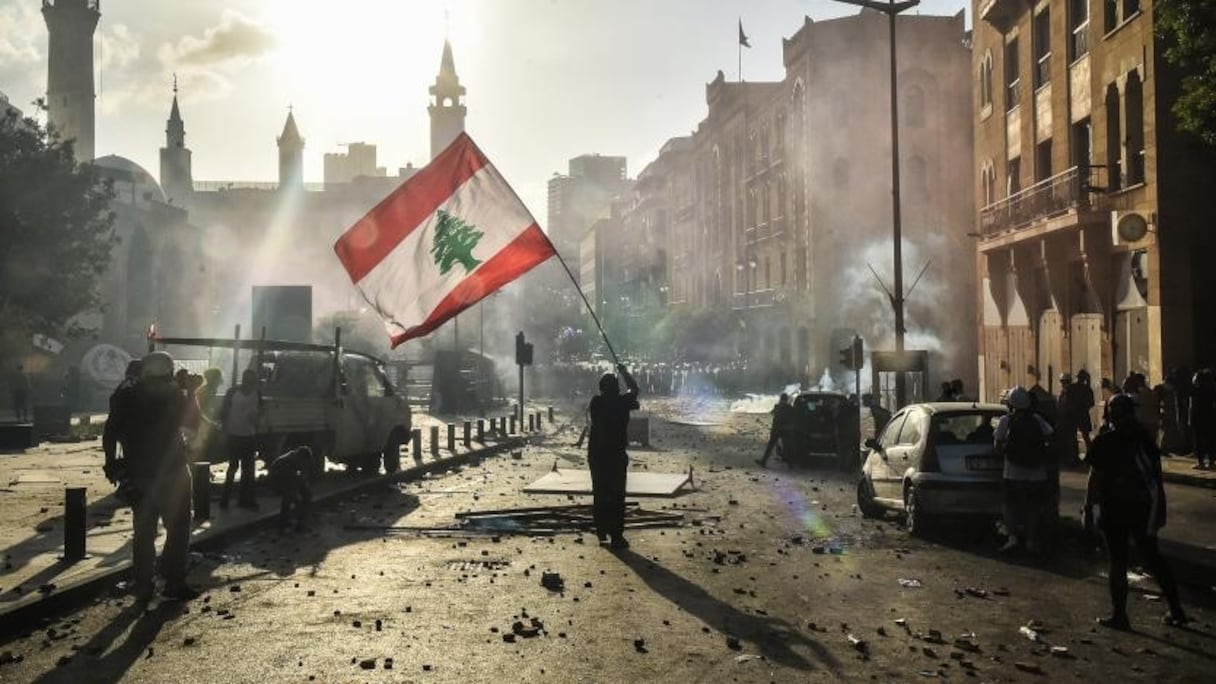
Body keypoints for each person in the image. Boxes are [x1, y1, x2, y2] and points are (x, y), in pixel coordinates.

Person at [1084, 393, 1187, 629]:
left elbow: (1095, 478)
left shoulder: (1105, 441)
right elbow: (1155, 478)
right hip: (1142, 508)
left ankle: (1120, 615)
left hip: (1114, 509)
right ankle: (1176, 608)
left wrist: (1089, 508)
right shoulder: (1144, 439)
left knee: (1118, 562)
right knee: (1153, 557)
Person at [102, 351, 195, 602]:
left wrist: (111, 463)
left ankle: (144, 584)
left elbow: (110, 432)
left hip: (138, 474)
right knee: (178, 529)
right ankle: (173, 581)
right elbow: (193, 421)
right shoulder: (173, 394)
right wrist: (191, 391)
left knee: (143, 531)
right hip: (173, 472)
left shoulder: (125, 396)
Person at [994, 386, 1053, 554]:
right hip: (1037, 473)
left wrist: (1006, 449)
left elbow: (997, 446)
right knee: (1032, 507)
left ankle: (1012, 538)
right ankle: (1031, 540)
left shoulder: (1006, 421)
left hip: (1012, 472)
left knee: (1009, 505)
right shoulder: (1037, 419)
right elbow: (1050, 437)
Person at [587, 363, 640, 548]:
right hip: (615, 454)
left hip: (597, 454)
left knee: (600, 492)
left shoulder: (596, 402)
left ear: (601, 388)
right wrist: (624, 371)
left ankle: (601, 531)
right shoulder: (622, 402)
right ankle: (616, 535)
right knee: (617, 495)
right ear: (617, 387)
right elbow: (635, 388)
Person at [219, 369, 261, 509]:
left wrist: (255, 422)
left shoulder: (256, 394)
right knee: (235, 468)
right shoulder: (233, 392)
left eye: (252, 380)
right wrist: (224, 432)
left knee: (247, 470)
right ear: (244, 379)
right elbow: (224, 412)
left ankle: (243, 500)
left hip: (248, 435)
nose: (250, 383)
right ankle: (227, 499)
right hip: (235, 435)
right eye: (248, 380)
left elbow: (259, 415)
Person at [268, 446, 313, 532]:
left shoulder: (299, 459)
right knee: (289, 498)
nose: (305, 464)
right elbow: (289, 483)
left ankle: (300, 523)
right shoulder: (284, 462)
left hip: (291, 478)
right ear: (299, 458)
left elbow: (303, 475)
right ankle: (284, 523)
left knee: (307, 495)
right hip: (279, 480)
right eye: (303, 462)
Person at [756, 393, 794, 468]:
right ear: (786, 399)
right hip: (785, 429)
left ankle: (763, 461)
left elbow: (772, 413)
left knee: (770, 446)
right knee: (787, 447)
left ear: (781, 399)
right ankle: (790, 464)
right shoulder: (789, 407)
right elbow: (793, 417)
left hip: (776, 429)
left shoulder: (777, 406)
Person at [1190, 369, 1216, 470]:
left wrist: (1190, 419)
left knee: (1199, 441)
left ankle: (1201, 463)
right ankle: (1211, 462)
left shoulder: (1195, 391)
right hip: (1210, 417)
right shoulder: (1212, 390)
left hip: (1198, 417)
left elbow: (1192, 406)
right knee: (1211, 440)